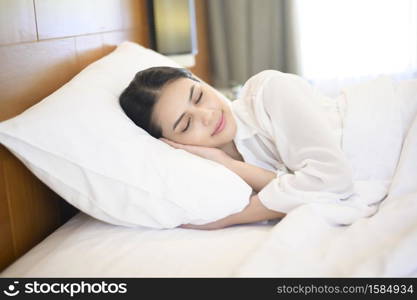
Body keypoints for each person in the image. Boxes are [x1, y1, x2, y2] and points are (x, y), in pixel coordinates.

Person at [119, 66, 356, 230]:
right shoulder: (215, 175)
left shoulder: (267, 91)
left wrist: (232, 218)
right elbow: (316, 187)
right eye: (186, 124)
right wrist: (228, 165)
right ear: (172, 143)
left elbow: (333, 181)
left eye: (199, 96)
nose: (208, 115)